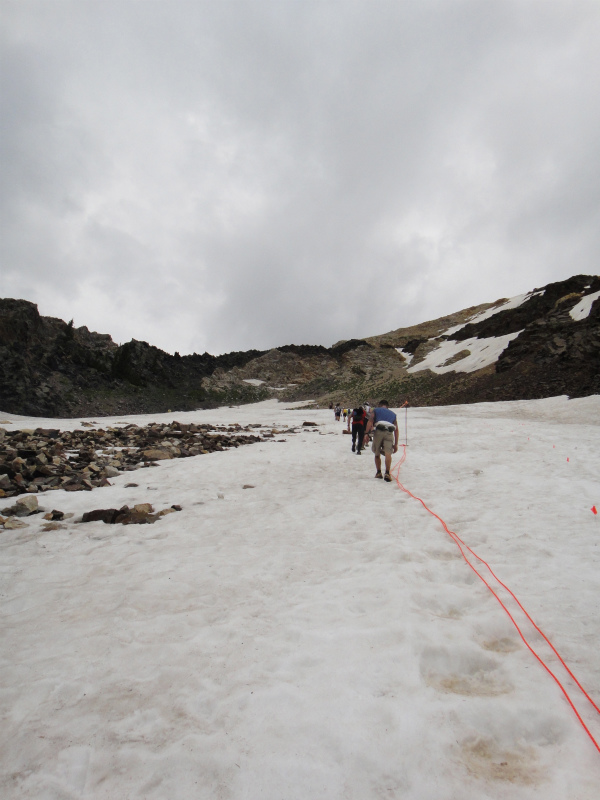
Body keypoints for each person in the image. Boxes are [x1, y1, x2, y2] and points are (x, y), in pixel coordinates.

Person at [364, 400, 407, 481]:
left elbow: (370, 421)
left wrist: (366, 433)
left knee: (377, 453)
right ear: (388, 406)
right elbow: (396, 430)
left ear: (380, 405)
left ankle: (379, 472)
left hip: (379, 432)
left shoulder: (376, 410)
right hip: (389, 433)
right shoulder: (393, 414)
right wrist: (396, 444)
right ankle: (387, 473)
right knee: (388, 453)